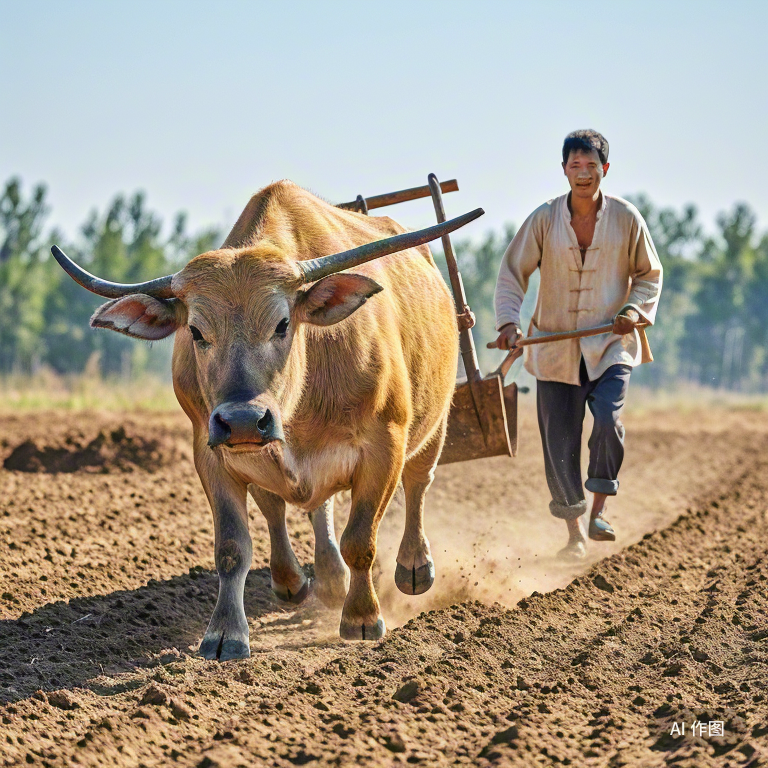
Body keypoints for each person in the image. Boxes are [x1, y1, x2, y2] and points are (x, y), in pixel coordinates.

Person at [491, 129, 662, 560]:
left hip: (609, 346)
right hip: (552, 348)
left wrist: (632, 311)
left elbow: (648, 275)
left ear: (605, 169)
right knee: (558, 443)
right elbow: (513, 273)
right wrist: (509, 323)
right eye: (575, 166)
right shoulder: (545, 219)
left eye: (591, 166)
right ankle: (574, 534)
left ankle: (599, 510)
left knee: (608, 420)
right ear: (564, 170)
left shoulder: (627, 219)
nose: (583, 174)